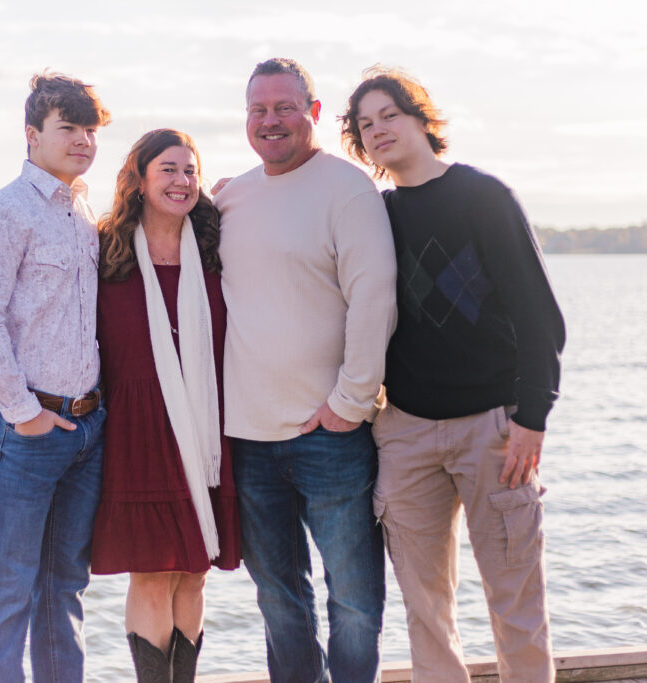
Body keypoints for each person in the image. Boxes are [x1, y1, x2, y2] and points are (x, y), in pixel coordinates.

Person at [340, 66, 566, 682]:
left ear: (420, 119)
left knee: (516, 602)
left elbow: (539, 316)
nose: (379, 130)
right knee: (424, 609)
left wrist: (531, 420)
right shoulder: (374, 215)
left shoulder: (483, 197)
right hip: (406, 432)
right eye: (366, 125)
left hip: (492, 430)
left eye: (390, 115)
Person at [213, 58, 397, 682]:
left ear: (313, 113)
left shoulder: (348, 189)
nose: (271, 121)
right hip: (248, 437)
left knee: (354, 602)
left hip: (331, 434)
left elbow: (375, 297)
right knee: (279, 601)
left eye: (284, 107)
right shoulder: (231, 197)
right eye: (258, 110)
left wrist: (349, 403)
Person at [0, 71, 111, 682]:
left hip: (86, 429)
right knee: (7, 592)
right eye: (67, 128)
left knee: (65, 591)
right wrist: (23, 413)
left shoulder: (83, 213)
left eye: (91, 130)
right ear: (31, 134)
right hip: (25, 432)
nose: (82, 140)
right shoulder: (4, 213)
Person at [92, 128, 241, 682]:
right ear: (139, 178)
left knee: (194, 573)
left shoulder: (215, 249)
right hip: (137, 433)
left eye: (190, 171)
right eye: (168, 170)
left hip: (205, 426)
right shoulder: (105, 250)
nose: (182, 181)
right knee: (153, 574)